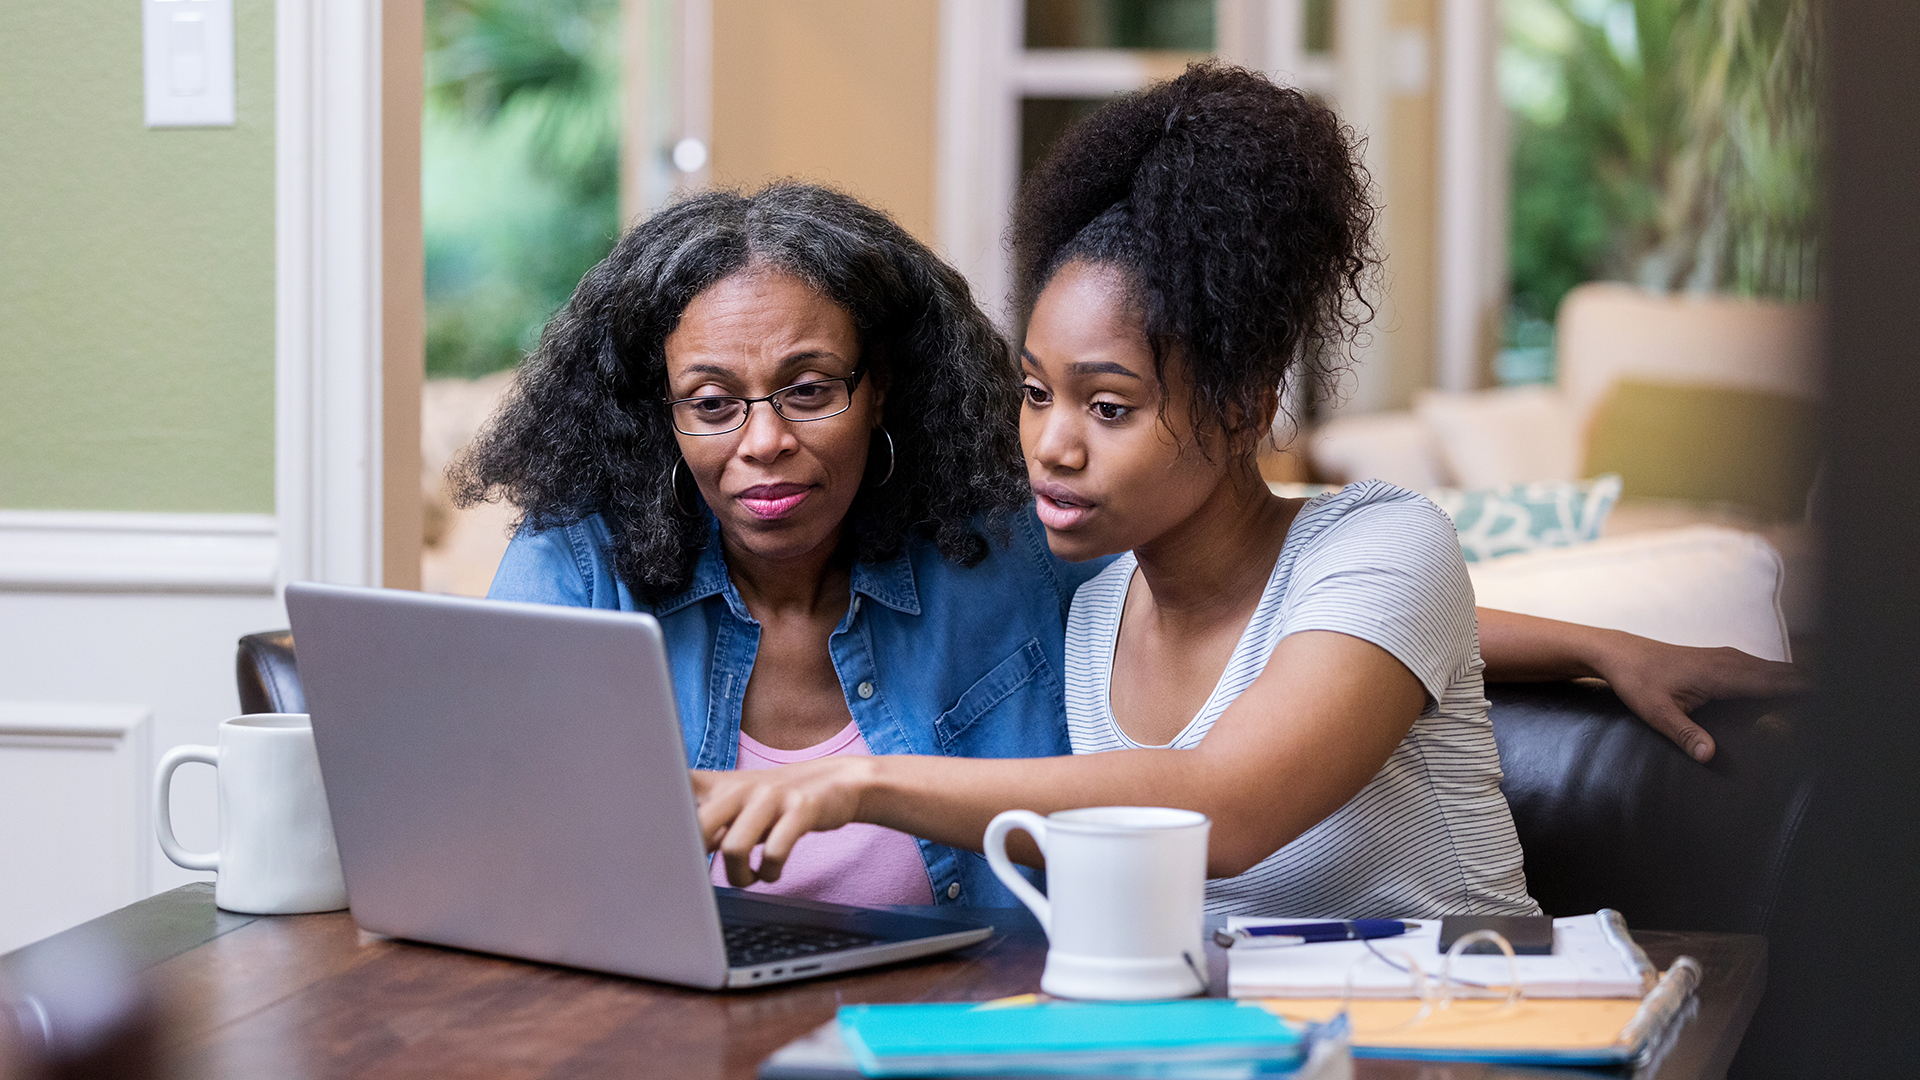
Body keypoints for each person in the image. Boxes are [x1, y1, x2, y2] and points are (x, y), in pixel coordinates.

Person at [457, 178, 1797, 912]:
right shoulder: (581, 566)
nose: (761, 442)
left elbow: (1283, 621)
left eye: (810, 389)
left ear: (885, 392)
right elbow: (493, 828)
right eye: (711, 403)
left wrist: (1598, 642)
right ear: (656, 411)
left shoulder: (1002, 553)